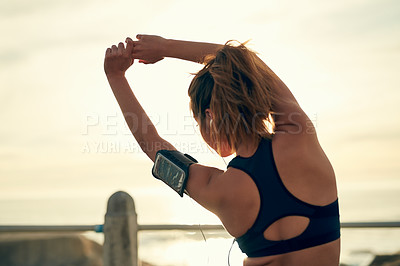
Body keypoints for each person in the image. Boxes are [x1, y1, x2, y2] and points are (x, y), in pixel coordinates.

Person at [104, 35, 341, 266]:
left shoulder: (216, 188)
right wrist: (165, 47)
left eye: (198, 123)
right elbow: (241, 59)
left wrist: (115, 76)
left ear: (210, 116)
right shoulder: (299, 135)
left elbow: (151, 144)